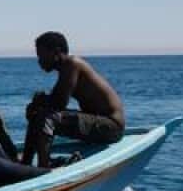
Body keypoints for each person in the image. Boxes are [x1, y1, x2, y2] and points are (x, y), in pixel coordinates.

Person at [22, 32, 126, 168]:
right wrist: (38, 104)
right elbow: (55, 101)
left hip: (112, 127)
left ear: (56, 52)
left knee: (47, 117)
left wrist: (40, 101)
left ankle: (43, 166)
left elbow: (59, 103)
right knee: (37, 114)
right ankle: (25, 164)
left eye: (41, 55)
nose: (39, 61)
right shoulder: (65, 68)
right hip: (99, 122)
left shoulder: (72, 64)